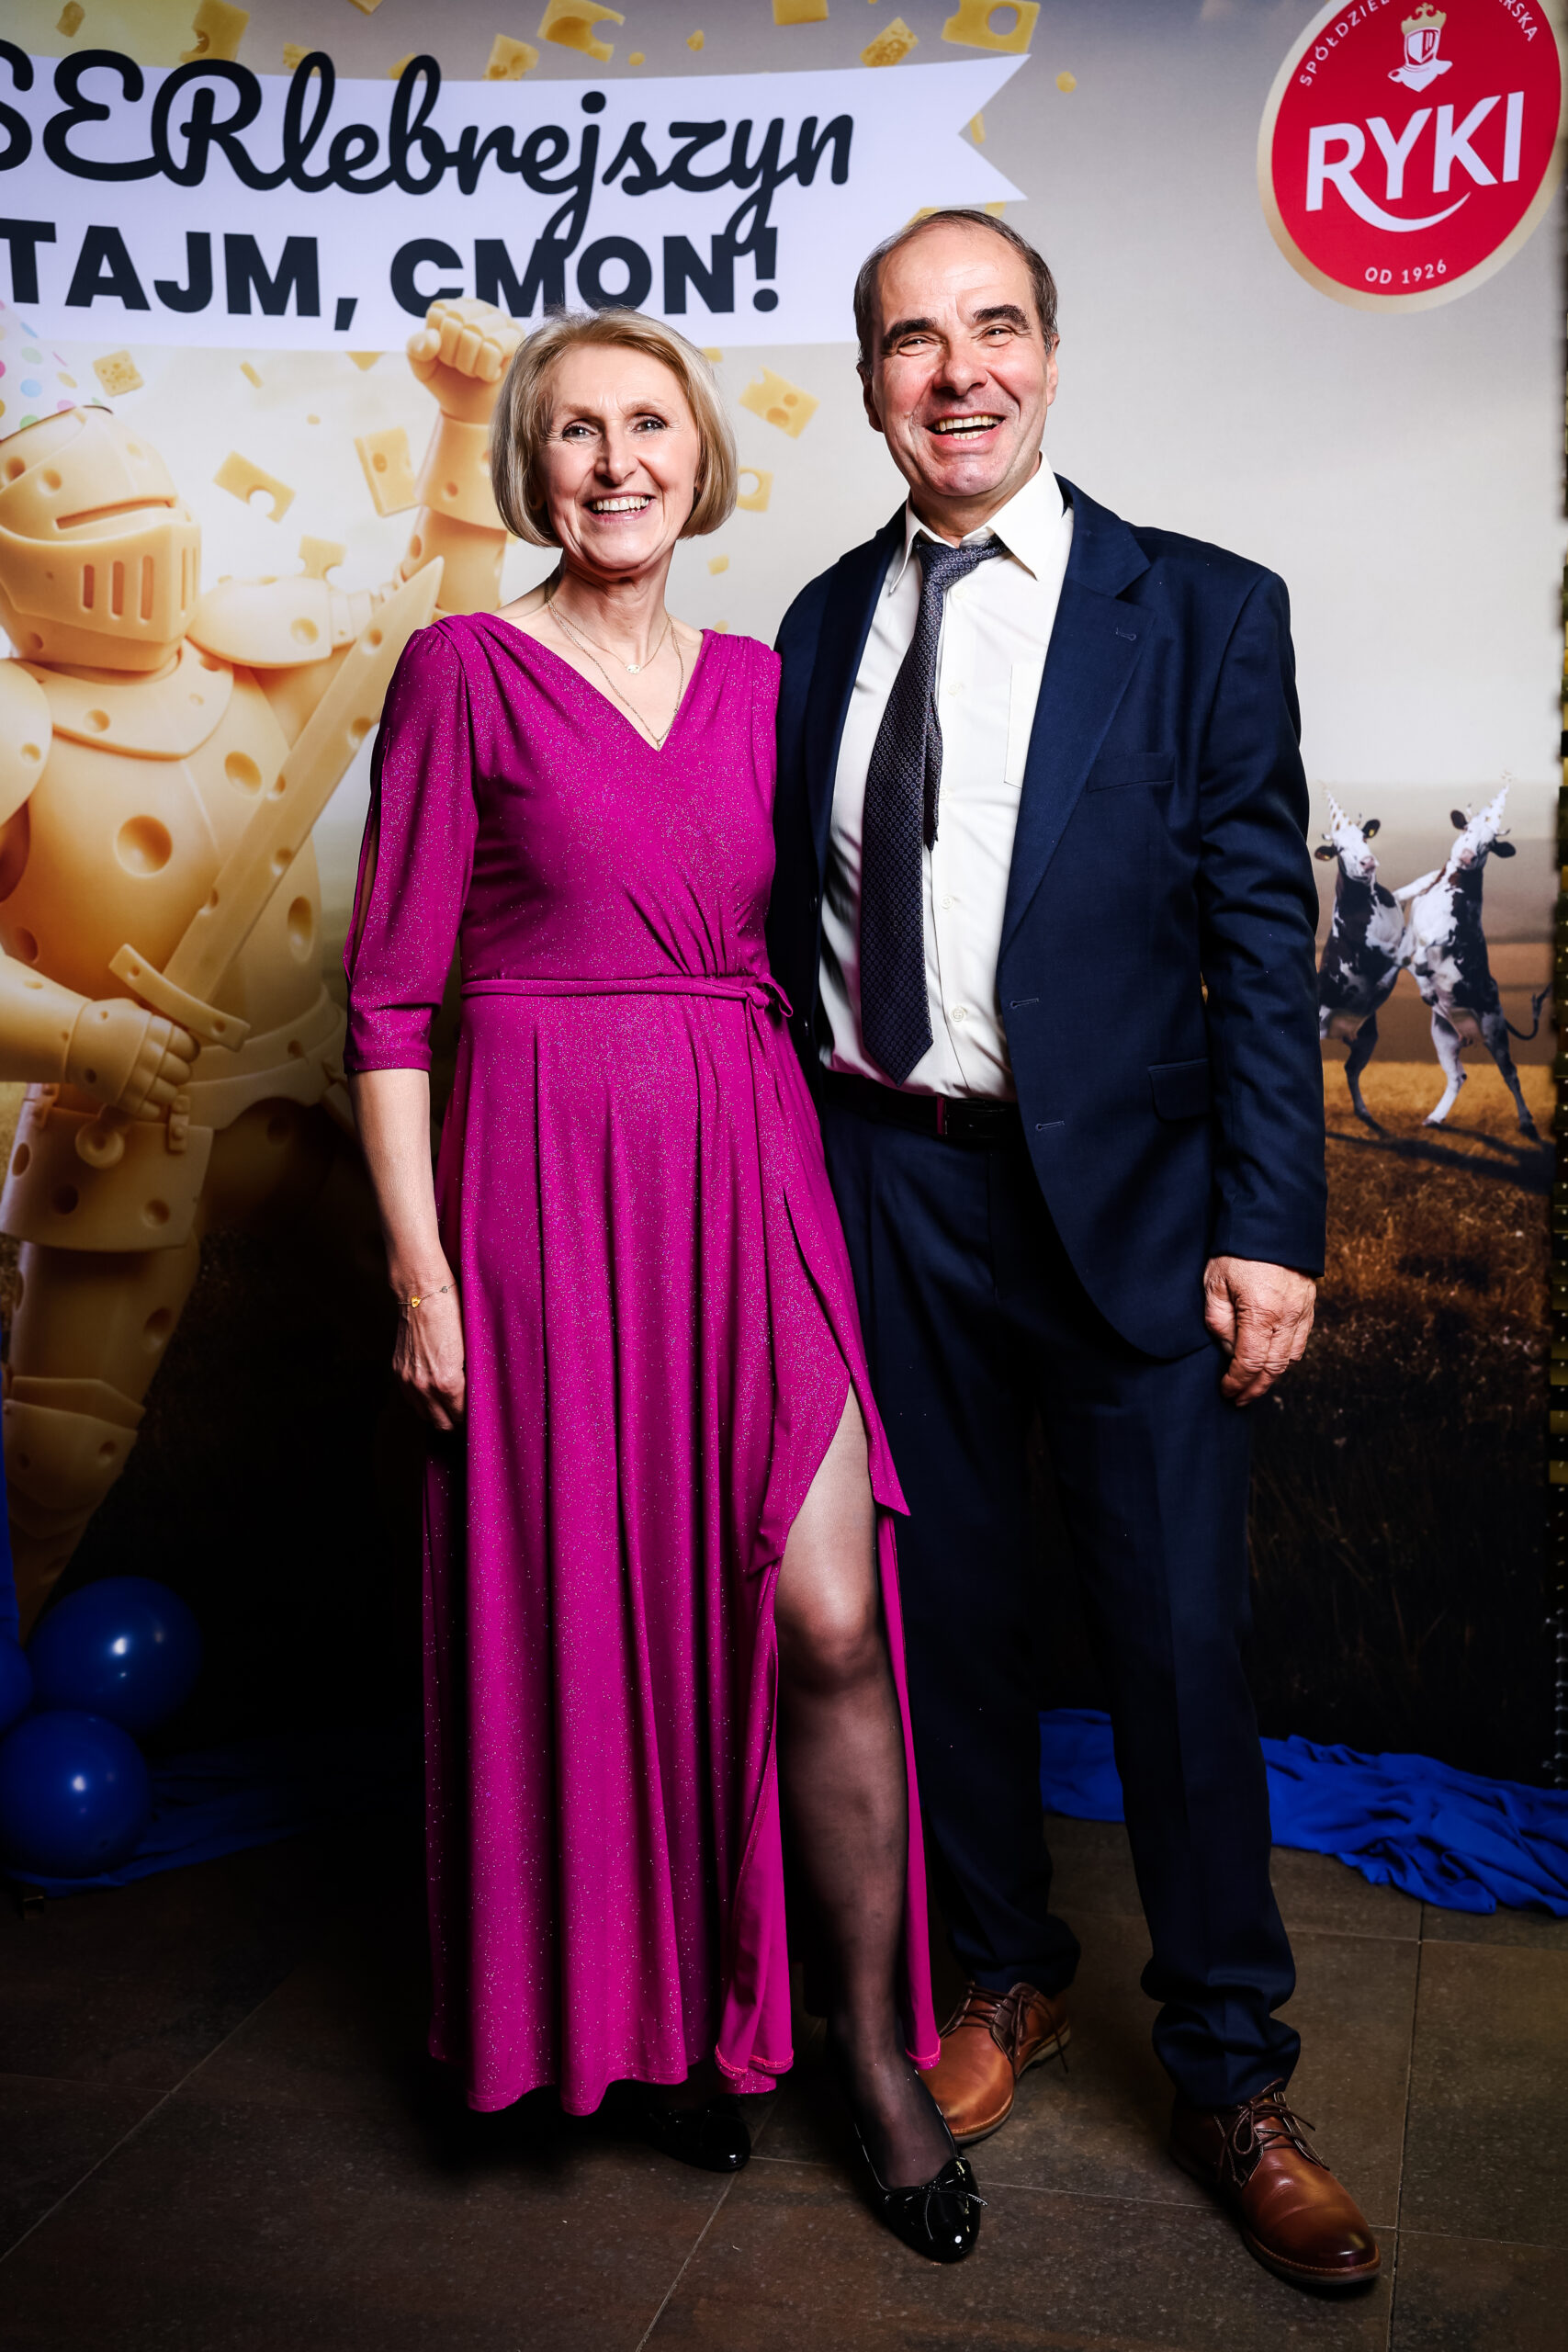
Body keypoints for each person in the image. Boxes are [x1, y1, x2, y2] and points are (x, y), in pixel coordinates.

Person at [767, 210, 1380, 2293]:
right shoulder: (815, 623)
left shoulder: (1201, 608)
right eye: (912, 339)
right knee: (935, 1618)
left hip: (1126, 1205)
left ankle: (1231, 2076)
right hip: (887, 1185)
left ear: (1048, 353)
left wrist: (1267, 1224)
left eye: (995, 328)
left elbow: (1259, 941)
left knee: (1176, 1647)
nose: (958, 371)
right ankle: (1001, 1972)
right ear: (868, 380)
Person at [344, 308, 982, 2264]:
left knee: (824, 1615)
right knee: (611, 1628)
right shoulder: (461, 671)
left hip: (745, 1166)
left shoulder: (765, 683)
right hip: (536, 1200)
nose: (617, 460)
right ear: (527, 464)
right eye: (576, 430)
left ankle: (865, 2052)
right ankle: (674, 2027)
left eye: (650, 425)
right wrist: (423, 1277)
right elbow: (388, 1003)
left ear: (700, 460)